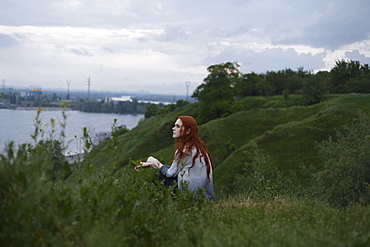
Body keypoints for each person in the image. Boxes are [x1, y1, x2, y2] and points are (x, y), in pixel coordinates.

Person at [135, 116, 214, 200]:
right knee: (163, 171)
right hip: (205, 197)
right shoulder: (198, 148)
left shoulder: (185, 150)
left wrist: (157, 164)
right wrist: (154, 164)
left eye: (178, 126)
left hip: (191, 197)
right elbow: (174, 170)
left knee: (161, 176)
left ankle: (144, 200)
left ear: (187, 131)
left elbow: (170, 173)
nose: (173, 128)